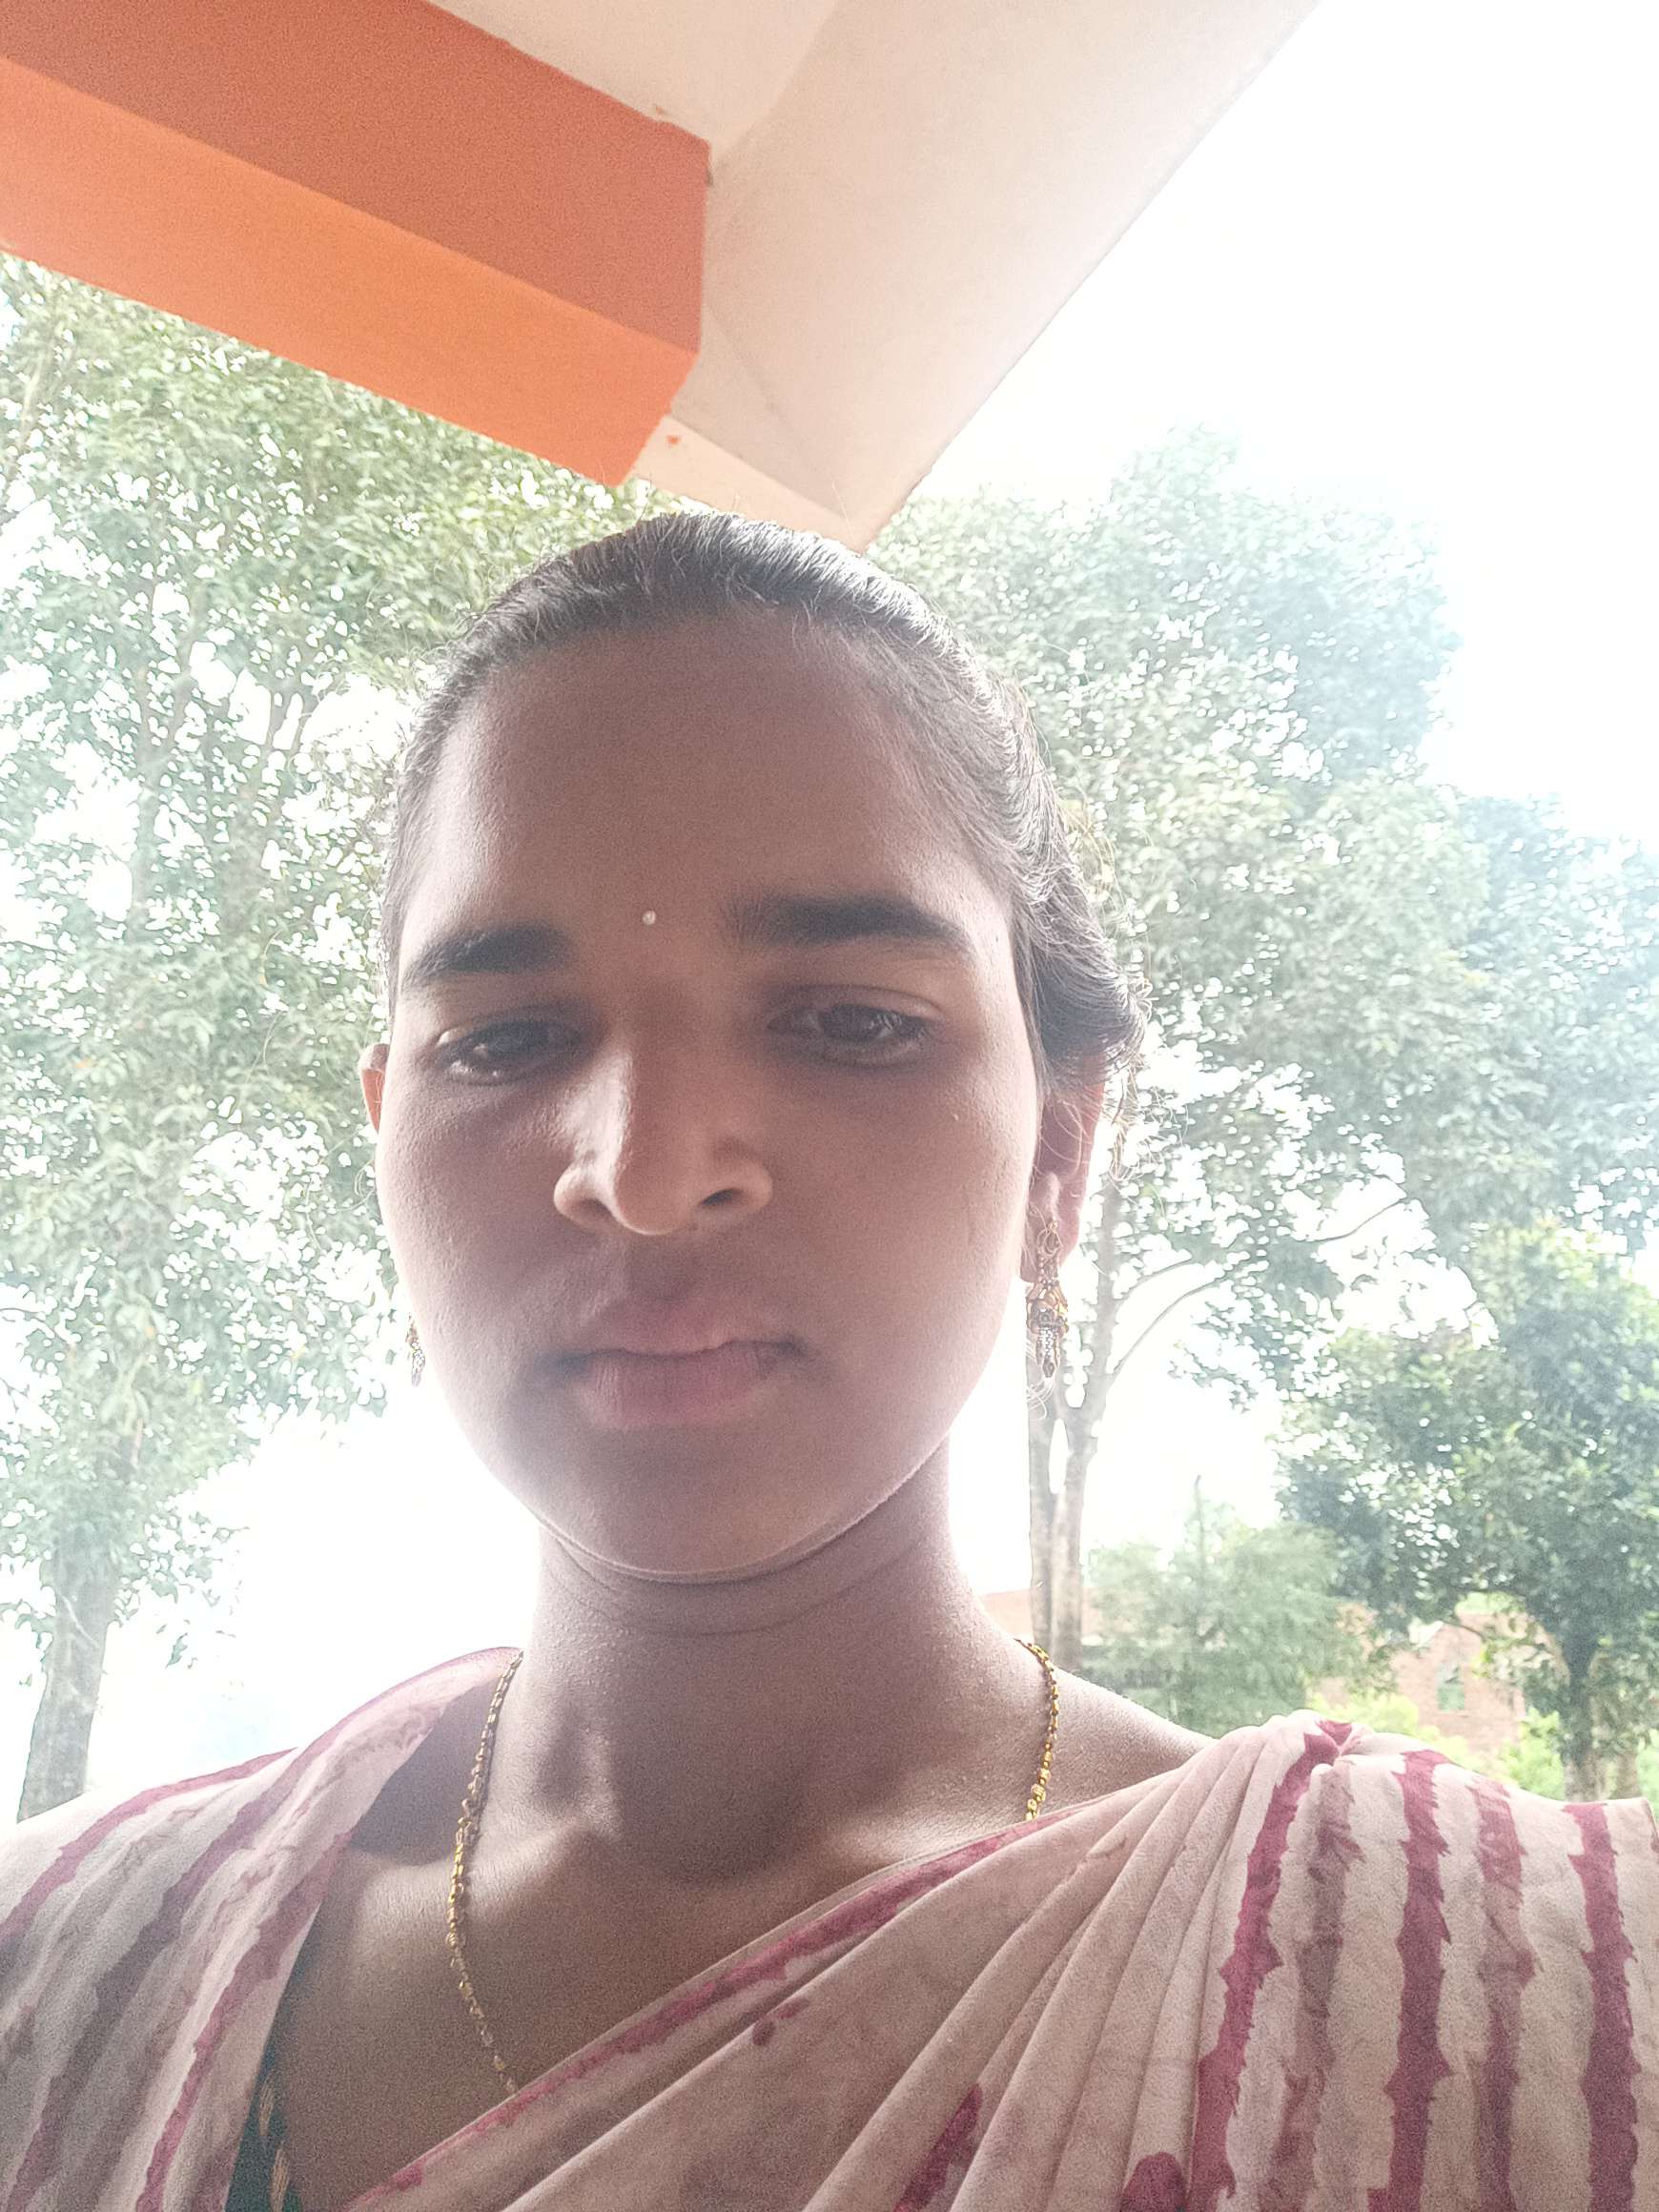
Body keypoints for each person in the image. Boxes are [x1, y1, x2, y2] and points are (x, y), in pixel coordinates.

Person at [1, 514, 1653, 2212]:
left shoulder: (1519, 1990)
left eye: (852, 1023)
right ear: (385, 1137)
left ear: (1059, 1156)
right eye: (504, 1040)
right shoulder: (63, 1979)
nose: (648, 1173)